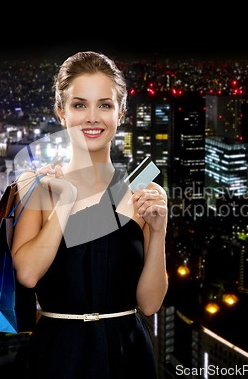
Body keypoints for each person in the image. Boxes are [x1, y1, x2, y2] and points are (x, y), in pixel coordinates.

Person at [11, 51, 168, 379]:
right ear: (61, 112)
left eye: (105, 105)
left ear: (121, 112)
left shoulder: (142, 189)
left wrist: (160, 232)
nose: (92, 117)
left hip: (128, 353)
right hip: (60, 353)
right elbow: (27, 274)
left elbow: (150, 304)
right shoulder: (36, 185)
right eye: (79, 104)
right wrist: (66, 198)